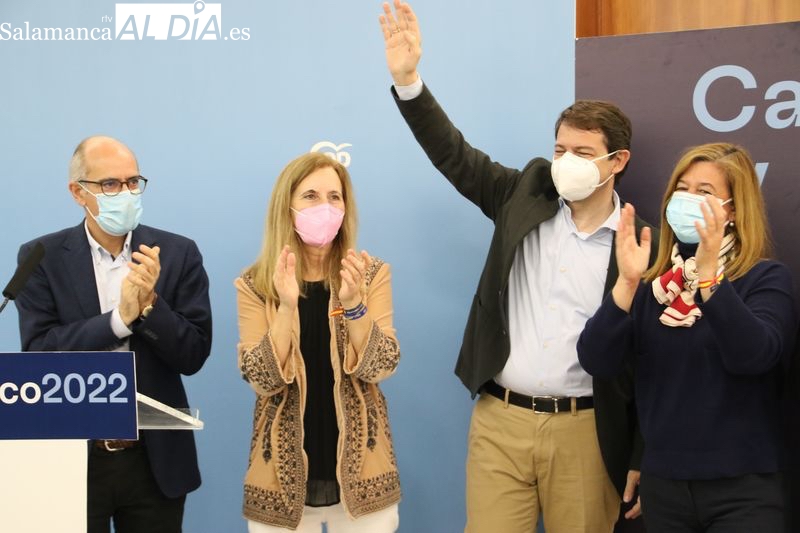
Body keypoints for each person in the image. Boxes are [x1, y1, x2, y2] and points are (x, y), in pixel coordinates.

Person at [379, 2, 657, 531]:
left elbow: (651, 363)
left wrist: (641, 451)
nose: (567, 162)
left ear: (617, 161)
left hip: (586, 432)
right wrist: (409, 81)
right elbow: (454, 155)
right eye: (560, 149)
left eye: (583, 151)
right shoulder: (523, 193)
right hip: (499, 423)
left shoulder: (640, 246)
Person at [577, 143, 796, 531]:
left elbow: (753, 356)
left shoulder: (765, 280)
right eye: (682, 187)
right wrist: (627, 284)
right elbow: (597, 361)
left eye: (705, 192)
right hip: (665, 489)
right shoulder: (655, 288)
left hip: (743, 489)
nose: (687, 198)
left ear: (733, 210)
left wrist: (711, 276)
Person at [14, 136, 212, 533]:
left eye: (132, 182)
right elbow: (40, 353)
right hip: (74, 459)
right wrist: (120, 319)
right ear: (77, 192)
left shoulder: (175, 253)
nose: (125, 193)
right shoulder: (41, 257)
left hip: (153, 463)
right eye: (110, 185)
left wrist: (150, 305)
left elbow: (192, 355)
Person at [235, 152, 401, 532]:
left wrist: (355, 304)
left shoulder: (369, 275)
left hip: (363, 479)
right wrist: (286, 305)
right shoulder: (255, 284)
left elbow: (383, 365)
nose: (324, 206)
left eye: (334, 197)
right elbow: (261, 378)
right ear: (287, 206)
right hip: (278, 482)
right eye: (310, 196)